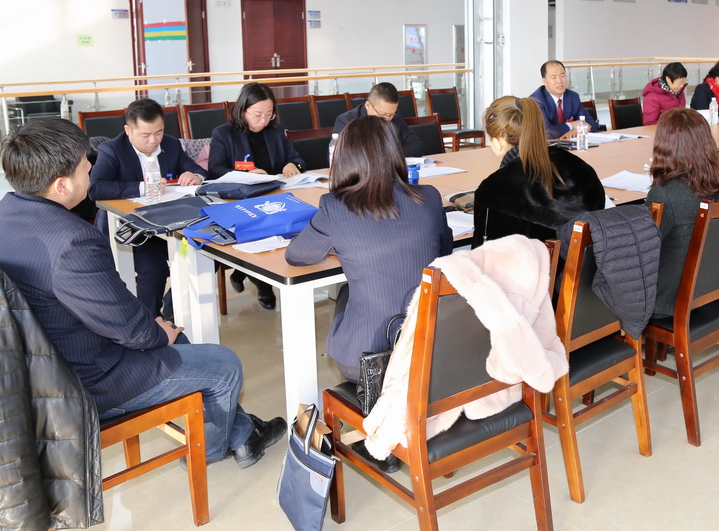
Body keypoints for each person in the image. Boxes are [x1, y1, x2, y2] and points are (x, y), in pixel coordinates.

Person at [0, 119, 286, 469]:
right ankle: (213, 450)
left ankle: (244, 434)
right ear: (62, 185)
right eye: (85, 166)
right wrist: (156, 332)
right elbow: (129, 330)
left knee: (177, 337)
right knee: (224, 364)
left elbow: (108, 310)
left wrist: (151, 327)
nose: (91, 169)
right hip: (85, 380)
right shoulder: (72, 240)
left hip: (36, 367)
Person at [285, 116, 451, 382]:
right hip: (425, 348)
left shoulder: (334, 206)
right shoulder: (429, 196)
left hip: (365, 362)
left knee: (347, 289)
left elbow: (296, 256)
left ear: (344, 157)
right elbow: (445, 250)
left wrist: (341, 245)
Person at [88, 98, 206, 318]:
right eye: (145, 135)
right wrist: (144, 187)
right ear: (128, 130)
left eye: (158, 132)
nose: (154, 140)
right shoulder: (112, 149)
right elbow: (96, 188)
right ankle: (150, 320)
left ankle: (172, 309)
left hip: (170, 224)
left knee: (202, 252)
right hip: (132, 229)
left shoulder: (170, 144)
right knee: (154, 268)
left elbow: (199, 171)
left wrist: (195, 175)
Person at [209, 82, 306, 310]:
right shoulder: (224, 134)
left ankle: (244, 271)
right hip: (239, 201)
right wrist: (245, 175)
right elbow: (214, 169)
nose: (264, 120)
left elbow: (297, 158)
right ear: (243, 110)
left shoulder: (275, 132)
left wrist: (292, 164)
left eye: (269, 114)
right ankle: (262, 283)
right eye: (258, 114)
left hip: (273, 197)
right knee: (259, 229)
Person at [472, 96, 605, 246]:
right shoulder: (581, 169)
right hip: (583, 260)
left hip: (533, 261)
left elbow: (484, 253)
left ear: (498, 142)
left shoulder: (493, 189)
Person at [647, 109, 719, 316]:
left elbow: (646, 251)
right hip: (712, 289)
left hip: (669, 300)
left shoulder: (664, 194)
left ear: (664, 145)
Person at [333, 82, 423, 157]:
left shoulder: (396, 117)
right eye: (383, 114)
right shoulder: (347, 121)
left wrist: (387, 155)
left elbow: (417, 146)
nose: (387, 119)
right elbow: (340, 156)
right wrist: (386, 155)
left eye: (391, 114)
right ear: (368, 105)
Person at [529, 60, 600, 138]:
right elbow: (547, 133)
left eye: (562, 76)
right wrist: (571, 125)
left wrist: (575, 131)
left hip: (569, 143)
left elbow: (592, 125)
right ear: (544, 81)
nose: (559, 81)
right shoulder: (536, 101)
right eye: (554, 77)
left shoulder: (573, 97)